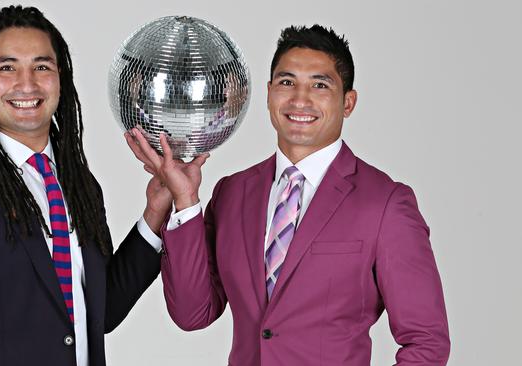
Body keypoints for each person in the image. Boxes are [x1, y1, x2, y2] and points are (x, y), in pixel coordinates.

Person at [126, 24, 450, 365]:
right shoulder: (233, 193)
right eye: (286, 82)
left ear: (348, 102)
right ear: (268, 94)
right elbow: (193, 313)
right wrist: (186, 202)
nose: (300, 99)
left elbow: (426, 342)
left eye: (320, 85)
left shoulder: (385, 203)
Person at [0, 5, 170, 366]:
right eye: (7, 67)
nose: (28, 83)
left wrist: (156, 210)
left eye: (42, 66)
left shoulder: (78, 185)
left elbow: (98, 310)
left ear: (60, 79)